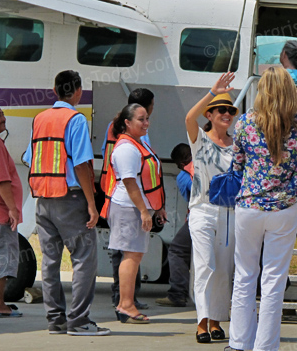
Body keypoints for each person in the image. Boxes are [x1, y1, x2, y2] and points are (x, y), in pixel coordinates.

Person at [223, 67, 297, 351]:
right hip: (283, 207)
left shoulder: (244, 123)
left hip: (249, 207)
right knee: (273, 279)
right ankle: (265, 348)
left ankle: (237, 342)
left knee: (244, 275)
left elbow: (238, 164)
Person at [23, 70, 110, 336]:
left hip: (43, 199)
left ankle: (56, 320)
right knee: (84, 258)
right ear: (77, 92)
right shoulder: (76, 120)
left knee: (49, 261)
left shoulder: (40, 119)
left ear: (54, 90)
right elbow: (83, 164)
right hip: (70, 198)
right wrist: (91, 204)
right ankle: (80, 321)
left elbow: (29, 157)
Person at [185, 73, 239, 343]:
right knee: (205, 264)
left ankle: (217, 321)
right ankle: (202, 322)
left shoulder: (237, 145)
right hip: (203, 209)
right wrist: (212, 91)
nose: (226, 114)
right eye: (221, 110)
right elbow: (188, 118)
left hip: (230, 212)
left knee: (223, 269)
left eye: (230, 110)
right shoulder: (201, 140)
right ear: (211, 114)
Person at [101, 103, 167, 324]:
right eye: (141, 119)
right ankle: (125, 304)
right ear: (127, 123)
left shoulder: (136, 144)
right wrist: (143, 211)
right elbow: (130, 183)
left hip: (135, 207)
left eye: (147, 118)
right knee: (131, 256)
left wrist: (155, 207)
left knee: (134, 255)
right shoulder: (126, 148)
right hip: (128, 208)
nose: (146, 123)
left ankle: (126, 303)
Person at [0, 102, 22, 318]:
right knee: (1, 258)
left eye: (2, 114)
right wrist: (12, 209)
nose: (3, 118)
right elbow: (2, 180)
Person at [156, 143, 194, 307]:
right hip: (227, 217)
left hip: (199, 218)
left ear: (179, 164)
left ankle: (177, 294)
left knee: (177, 250)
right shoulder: (208, 163)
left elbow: (191, 198)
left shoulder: (184, 176)